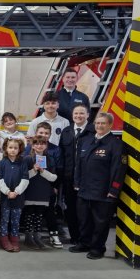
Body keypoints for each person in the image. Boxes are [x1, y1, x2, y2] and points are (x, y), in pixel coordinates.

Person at [71, 112, 126, 260]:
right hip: (84, 189)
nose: (99, 126)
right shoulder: (86, 141)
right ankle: (84, 243)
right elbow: (78, 164)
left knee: (100, 223)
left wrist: (114, 190)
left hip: (103, 192)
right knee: (84, 220)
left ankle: (97, 248)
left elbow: (118, 169)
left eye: (103, 123)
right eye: (97, 123)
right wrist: (77, 182)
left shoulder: (116, 144)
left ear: (110, 125)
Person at [58, 104, 95, 244]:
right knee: (71, 209)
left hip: (86, 180)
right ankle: (75, 238)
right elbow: (62, 156)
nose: (78, 116)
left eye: (82, 113)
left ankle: (85, 239)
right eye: (76, 113)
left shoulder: (93, 131)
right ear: (72, 116)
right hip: (68, 179)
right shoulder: (66, 131)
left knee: (85, 211)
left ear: (88, 115)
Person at [22, 126, 60, 250]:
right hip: (30, 192)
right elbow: (23, 177)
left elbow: (54, 178)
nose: (39, 146)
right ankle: (28, 238)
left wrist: (43, 172)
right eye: (37, 144)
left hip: (43, 193)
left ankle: (37, 237)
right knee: (29, 215)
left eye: (42, 144)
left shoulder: (49, 159)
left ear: (46, 145)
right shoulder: (27, 159)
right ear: (32, 146)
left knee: (39, 216)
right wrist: (34, 170)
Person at [0, 137, 30, 252]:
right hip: (5, 198)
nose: (13, 150)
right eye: (10, 147)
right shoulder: (2, 163)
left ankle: (15, 239)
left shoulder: (23, 162)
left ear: (19, 149)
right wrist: (7, 192)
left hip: (18, 197)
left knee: (15, 221)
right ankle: (4, 239)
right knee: (5, 220)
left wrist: (16, 192)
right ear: (6, 148)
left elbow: (25, 179)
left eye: (15, 148)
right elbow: (0, 179)